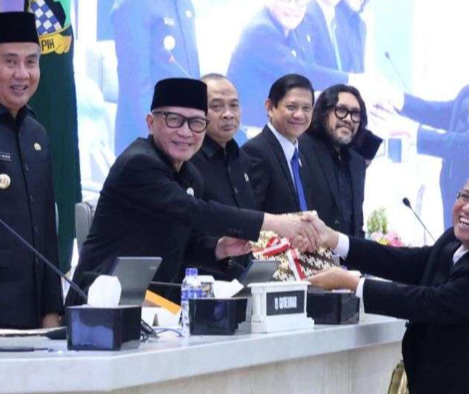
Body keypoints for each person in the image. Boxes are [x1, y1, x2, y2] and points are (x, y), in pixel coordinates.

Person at [308, 166, 469, 394]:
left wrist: (354, 284)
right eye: (465, 196)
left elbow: (432, 302)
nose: (468, 208)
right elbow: (407, 263)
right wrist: (335, 241)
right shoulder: (453, 242)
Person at [68, 78, 322, 304]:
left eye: (196, 123)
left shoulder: (189, 174)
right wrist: (275, 223)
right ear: (151, 123)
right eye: (174, 120)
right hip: (101, 302)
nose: (185, 132)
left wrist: (220, 248)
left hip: (155, 305)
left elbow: (183, 244)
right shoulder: (139, 163)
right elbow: (194, 211)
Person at [378, 42, 469, 230]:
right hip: (453, 190)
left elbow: (462, 144)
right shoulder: (467, 94)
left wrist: (411, 131)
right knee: (452, 240)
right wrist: (400, 100)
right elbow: (440, 113)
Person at [0, 12, 63, 329]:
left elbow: (46, 234)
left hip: (30, 321)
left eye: (31, 62)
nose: (22, 74)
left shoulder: (37, 135)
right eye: (10, 62)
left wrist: (51, 312)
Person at [227, 0, 349, 128]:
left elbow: (309, 70)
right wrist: (348, 79)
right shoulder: (261, 30)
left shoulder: (295, 28)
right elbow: (296, 72)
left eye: (300, 1)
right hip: (250, 129)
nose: (293, 7)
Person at [112, 0, 201, 155]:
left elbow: (191, 75)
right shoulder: (134, 3)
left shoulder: (184, 4)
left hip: (183, 134)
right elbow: (134, 84)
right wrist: (154, 137)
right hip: (149, 139)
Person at [190, 74, 257, 278]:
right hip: (201, 280)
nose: (228, 114)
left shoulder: (243, 159)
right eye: (216, 106)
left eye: (234, 106)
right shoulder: (187, 160)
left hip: (244, 279)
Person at [243, 74, 324, 218]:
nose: (299, 115)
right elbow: (252, 216)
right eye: (291, 107)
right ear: (269, 107)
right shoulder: (256, 151)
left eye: (306, 108)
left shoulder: (300, 154)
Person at [300, 84, 368, 237]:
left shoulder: (357, 163)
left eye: (355, 114)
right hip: (308, 248)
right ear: (324, 112)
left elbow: (357, 223)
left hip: (348, 251)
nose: (349, 119)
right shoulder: (301, 148)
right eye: (342, 110)